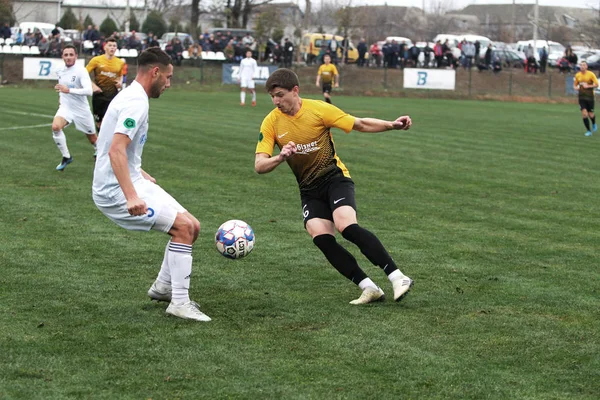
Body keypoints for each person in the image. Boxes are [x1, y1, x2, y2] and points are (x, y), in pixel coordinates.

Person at [255, 69, 414, 305]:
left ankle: (397, 276)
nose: (276, 101)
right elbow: (259, 165)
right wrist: (280, 157)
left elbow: (359, 124)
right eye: (272, 97)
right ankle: (368, 287)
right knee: (321, 237)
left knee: (346, 226)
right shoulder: (271, 122)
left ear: (295, 91)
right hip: (309, 190)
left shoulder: (319, 110)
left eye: (280, 95)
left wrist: (392, 125)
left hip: (335, 180)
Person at [92, 47, 210, 322]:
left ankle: (162, 288)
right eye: (168, 78)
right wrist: (131, 196)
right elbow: (115, 150)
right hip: (114, 191)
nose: (168, 84)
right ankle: (180, 303)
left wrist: (138, 170)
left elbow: (109, 142)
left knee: (193, 227)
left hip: (130, 178)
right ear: (155, 72)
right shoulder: (136, 102)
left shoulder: (133, 96)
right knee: (182, 228)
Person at [51, 44, 98, 171]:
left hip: (81, 109)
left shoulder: (81, 71)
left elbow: (89, 91)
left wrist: (69, 90)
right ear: (62, 56)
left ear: (76, 56)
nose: (68, 57)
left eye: (71, 55)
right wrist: (61, 94)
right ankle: (66, 157)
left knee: (93, 139)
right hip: (66, 107)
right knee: (55, 127)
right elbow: (62, 86)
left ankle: (99, 152)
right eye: (66, 55)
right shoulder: (59, 69)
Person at [86, 37, 126, 131]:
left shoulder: (119, 62)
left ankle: (109, 143)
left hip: (113, 96)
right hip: (99, 96)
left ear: (116, 48)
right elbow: (83, 74)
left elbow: (120, 75)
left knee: (111, 123)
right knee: (99, 124)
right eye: (110, 45)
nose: (112, 48)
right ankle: (100, 143)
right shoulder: (96, 60)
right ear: (105, 47)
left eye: (114, 46)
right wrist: (93, 85)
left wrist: (120, 82)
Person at [573, 61, 599, 137]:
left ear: (586, 66)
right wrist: (576, 88)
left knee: (591, 114)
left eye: (584, 65)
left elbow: (597, 84)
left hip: (590, 97)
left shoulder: (591, 74)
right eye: (581, 65)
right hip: (581, 97)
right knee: (584, 114)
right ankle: (588, 131)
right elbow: (574, 85)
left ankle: (594, 123)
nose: (582, 66)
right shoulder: (578, 75)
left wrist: (588, 86)